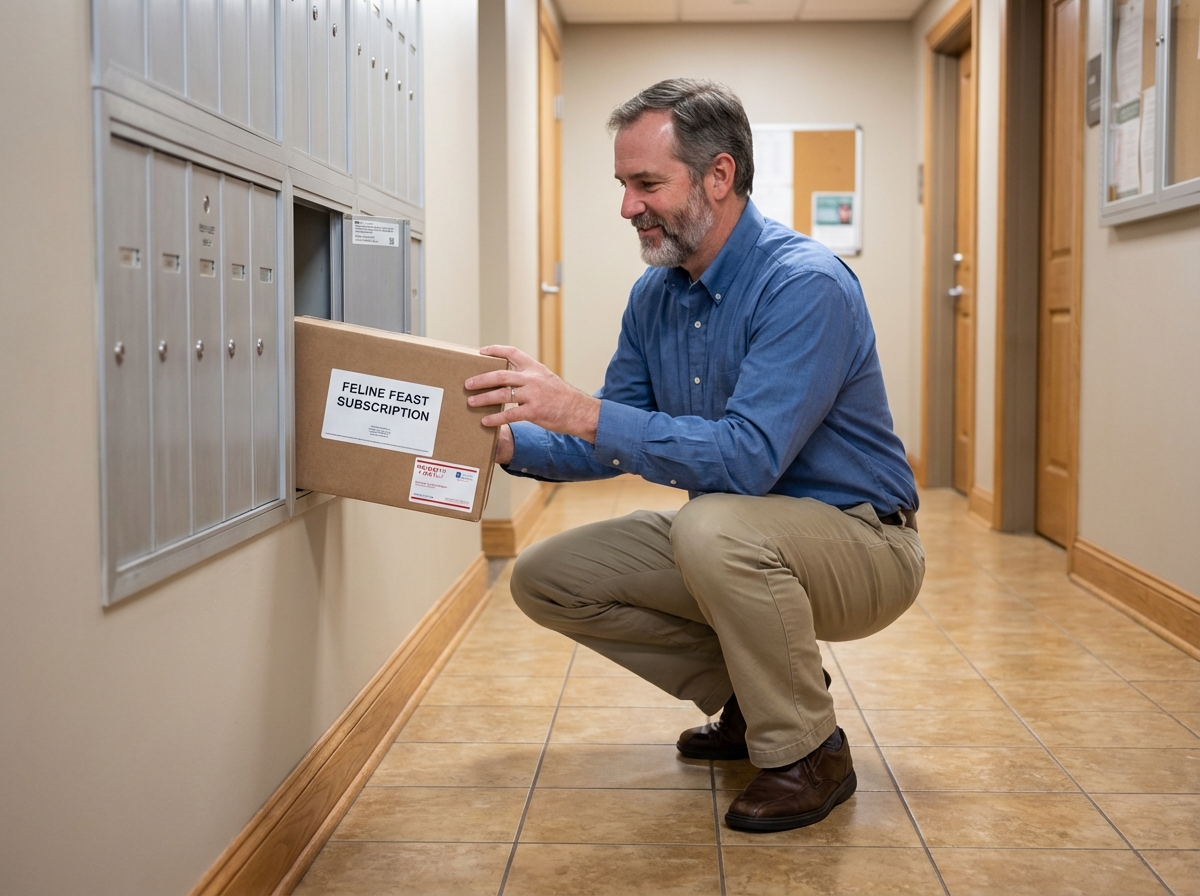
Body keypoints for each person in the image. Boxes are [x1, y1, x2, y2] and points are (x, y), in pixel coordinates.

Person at [464, 78, 923, 833]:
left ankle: (809, 752)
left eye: (647, 183)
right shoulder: (656, 297)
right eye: (622, 184)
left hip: (867, 544)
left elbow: (747, 462)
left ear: (719, 175)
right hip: (743, 540)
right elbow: (613, 437)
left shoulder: (804, 286)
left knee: (711, 524)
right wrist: (514, 441)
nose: (627, 206)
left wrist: (578, 407)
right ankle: (757, 698)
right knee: (548, 578)